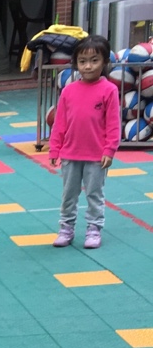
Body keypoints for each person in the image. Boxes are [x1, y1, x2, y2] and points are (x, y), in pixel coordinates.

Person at [48, 34, 119, 250]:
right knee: (68, 195)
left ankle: (94, 228)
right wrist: (54, 149)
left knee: (94, 194)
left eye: (94, 60)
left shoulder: (110, 90)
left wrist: (109, 150)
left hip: (97, 156)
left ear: (105, 62)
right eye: (82, 61)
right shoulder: (68, 91)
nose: (88, 66)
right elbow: (60, 123)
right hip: (70, 154)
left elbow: (113, 124)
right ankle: (66, 228)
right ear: (76, 63)